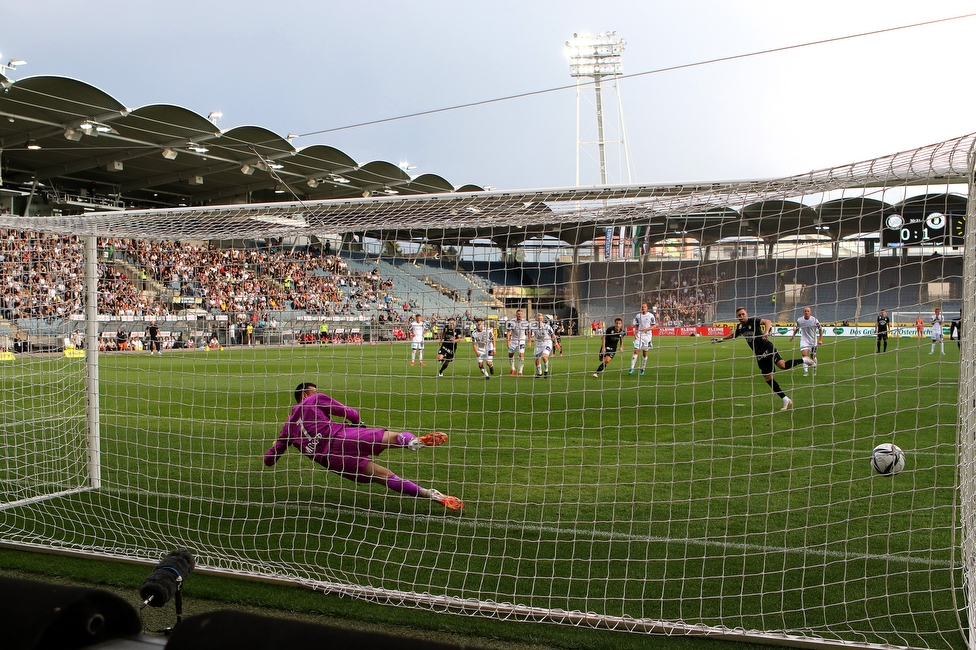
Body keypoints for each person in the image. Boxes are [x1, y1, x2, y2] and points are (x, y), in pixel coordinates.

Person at [264, 382, 462, 510]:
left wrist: (280, 443)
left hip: (333, 461)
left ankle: (430, 494)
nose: (318, 392)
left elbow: (269, 461)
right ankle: (412, 442)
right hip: (342, 436)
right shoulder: (314, 400)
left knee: (384, 476)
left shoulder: (287, 429)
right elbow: (351, 413)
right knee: (390, 438)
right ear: (306, 395)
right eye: (314, 390)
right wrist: (358, 425)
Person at [711, 307, 805, 411]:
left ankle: (786, 397)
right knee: (775, 372)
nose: (742, 316)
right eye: (739, 315)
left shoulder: (753, 321)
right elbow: (733, 335)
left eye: (743, 314)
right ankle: (787, 398)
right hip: (759, 354)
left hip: (767, 348)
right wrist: (720, 340)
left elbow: (767, 321)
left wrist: (766, 332)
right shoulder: (740, 328)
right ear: (737, 317)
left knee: (775, 371)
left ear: (747, 314)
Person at [789, 306, 822, 376]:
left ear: (810, 312)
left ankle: (814, 369)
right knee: (804, 355)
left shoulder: (814, 320)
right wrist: (793, 336)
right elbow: (797, 328)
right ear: (803, 312)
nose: (806, 312)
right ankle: (806, 371)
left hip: (813, 340)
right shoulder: (799, 320)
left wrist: (820, 339)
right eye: (805, 311)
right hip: (804, 340)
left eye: (808, 311)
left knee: (812, 356)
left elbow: (820, 329)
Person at [629, 303, 656, 376]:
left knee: (645, 352)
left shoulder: (651, 316)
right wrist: (635, 332)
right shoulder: (638, 316)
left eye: (644, 307)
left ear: (647, 308)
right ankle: (631, 368)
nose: (643, 308)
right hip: (639, 335)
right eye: (642, 307)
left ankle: (643, 369)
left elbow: (654, 326)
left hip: (647, 336)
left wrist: (647, 329)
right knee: (636, 350)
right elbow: (637, 325)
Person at [530, 312, 555, 378]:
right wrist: (531, 339)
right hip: (538, 345)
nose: (539, 319)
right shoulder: (533, 327)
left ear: (543, 319)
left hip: (547, 343)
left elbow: (553, 335)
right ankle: (539, 373)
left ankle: (546, 371)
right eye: (538, 318)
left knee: (544, 356)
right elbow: (532, 336)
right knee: (537, 360)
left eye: (541, 318)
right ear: (536, 319)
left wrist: (556, 343)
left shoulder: (547, 327)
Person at [505, 309, 530, 376]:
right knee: (510, 355)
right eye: (518, 314)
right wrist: (508, 341)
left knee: (521, 355)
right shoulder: (511, 322)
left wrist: (529, 341)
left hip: (522, 340)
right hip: (513, 341)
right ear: (516, 315)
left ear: (522, 315)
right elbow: (508, 332)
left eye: (521, 314)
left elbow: (529, 332)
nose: (519, 315)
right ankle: (513, 368)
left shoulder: (526, 322)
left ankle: (520, 371)